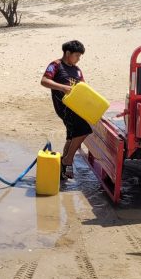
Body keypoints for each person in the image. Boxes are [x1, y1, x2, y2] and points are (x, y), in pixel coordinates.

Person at [40, 40, 91, 180]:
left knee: (71, 136)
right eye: (77, 55)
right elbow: (44, 81)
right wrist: (62, 87)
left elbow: (84, 88)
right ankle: (68, 160)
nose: (78, 58)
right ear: (68, 53)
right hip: (63, 107)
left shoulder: (77, 70)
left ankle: (63, 168)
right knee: (85, 129)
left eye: (80, 56)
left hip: (76, 107)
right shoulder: (55, 65)